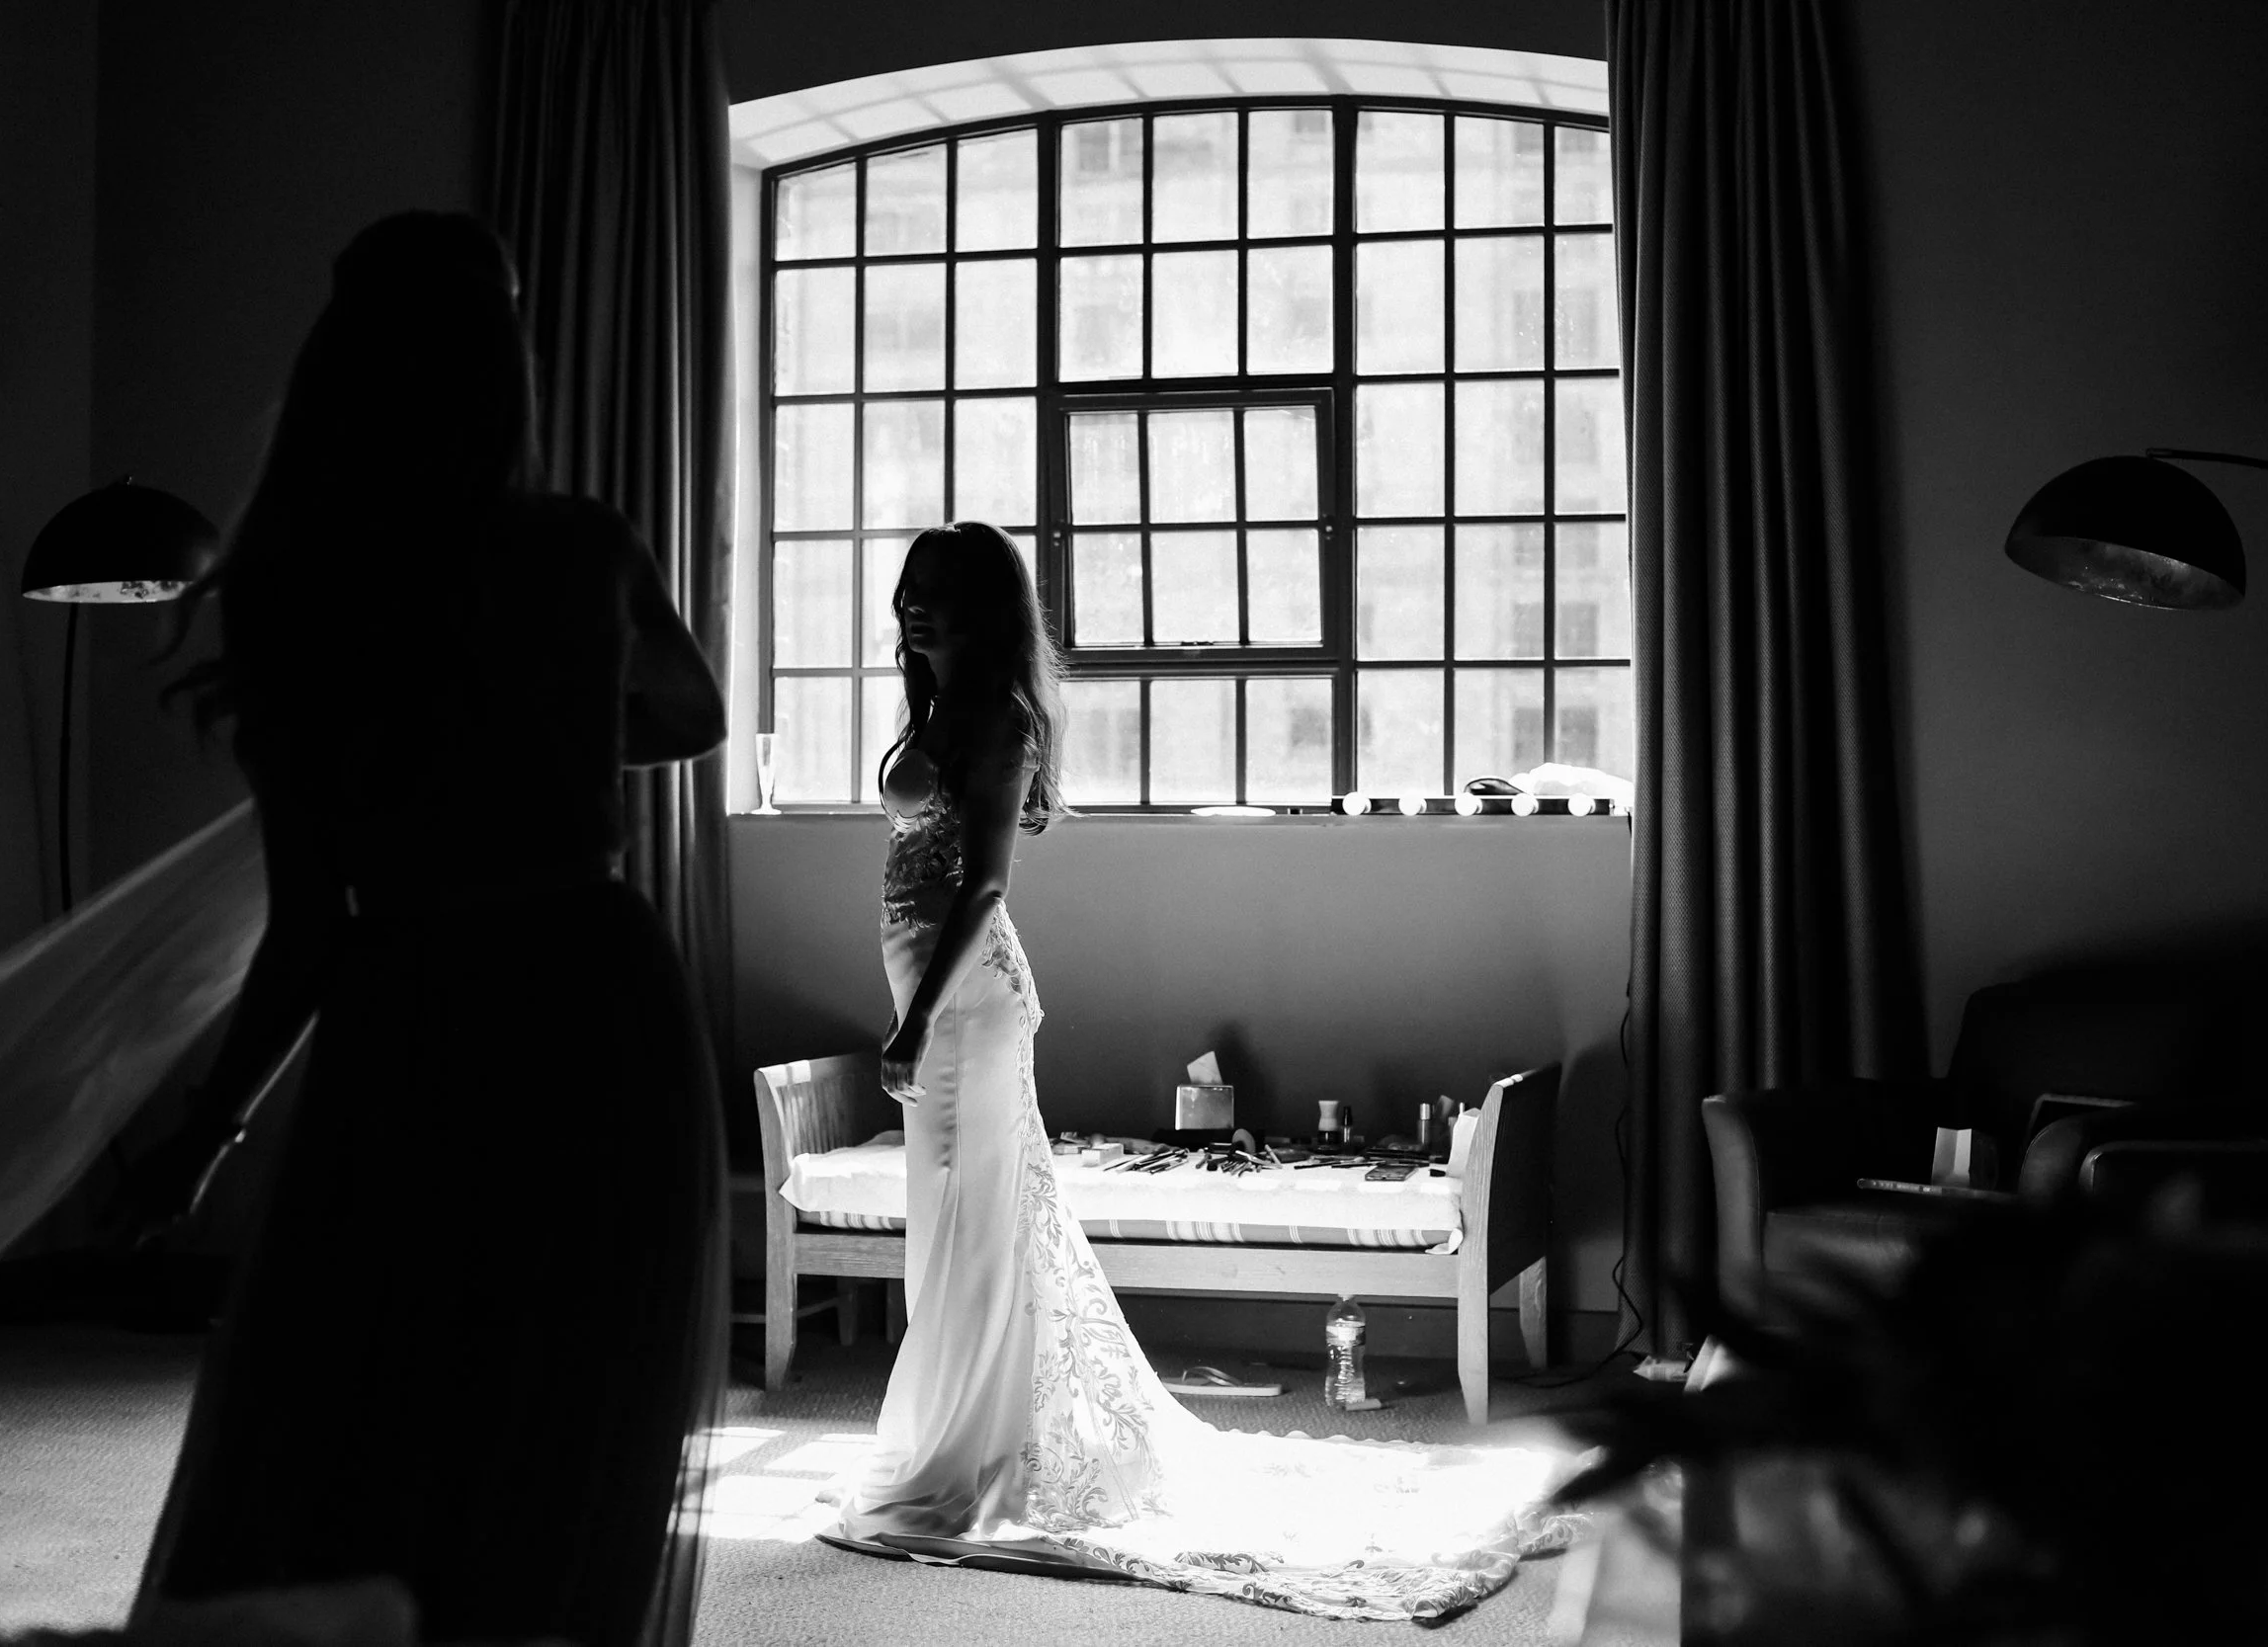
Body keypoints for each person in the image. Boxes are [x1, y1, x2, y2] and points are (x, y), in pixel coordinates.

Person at [125, 210, 727, 1647]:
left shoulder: (296, 587)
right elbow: (691, 714)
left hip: (419, 1015)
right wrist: (568, 723)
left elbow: (305, 931)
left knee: (376, 1405)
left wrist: (199, 1136)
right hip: (594, 1002)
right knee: (575, 1413)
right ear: (501, 375)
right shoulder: (582, 548)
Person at [827, 522, 1574, 1623]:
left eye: (939, 591)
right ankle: (960, 1429)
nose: (914, 604)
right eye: (910, 588)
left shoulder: (998, 718)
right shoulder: (931, 709)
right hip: (925, 991)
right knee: (949, 1222)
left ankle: (968, 1450)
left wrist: (911, 1026)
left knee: (969, 1222)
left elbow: (982, 886)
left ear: (985, 606)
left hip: (964, 1006)